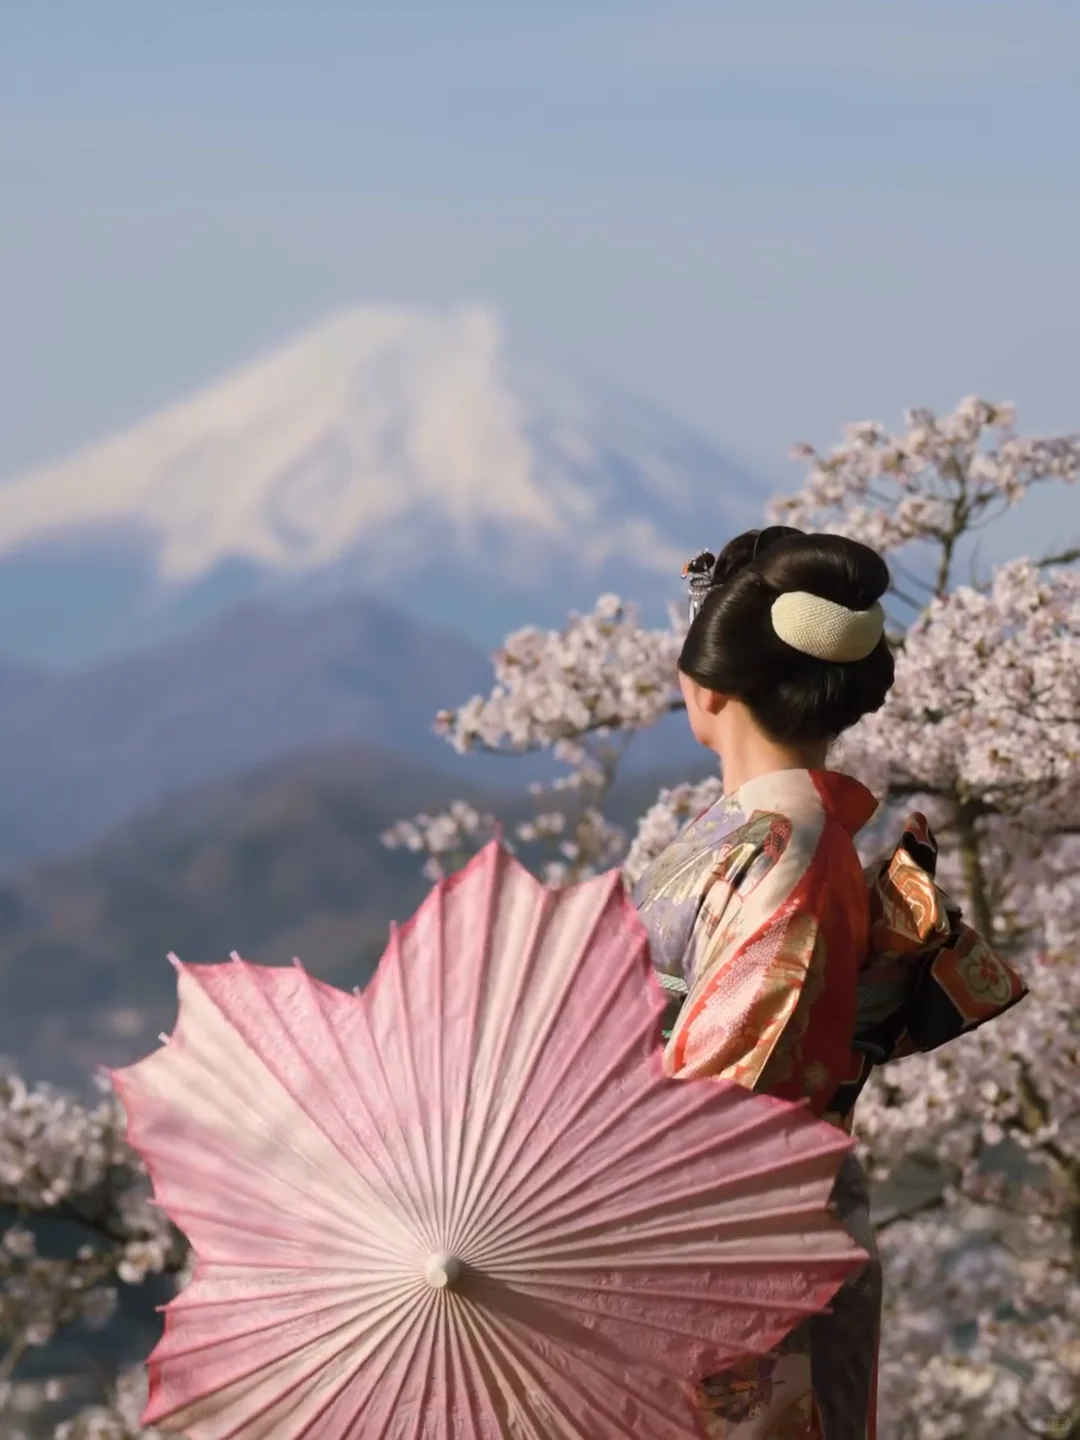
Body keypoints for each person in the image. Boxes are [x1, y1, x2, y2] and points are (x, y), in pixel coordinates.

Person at [632, 526, 1028, 1440]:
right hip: (726, 1217)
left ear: (709, 686)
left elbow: (730, 1087)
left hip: (733, 1230)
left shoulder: (789, 852)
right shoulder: (766, 832)